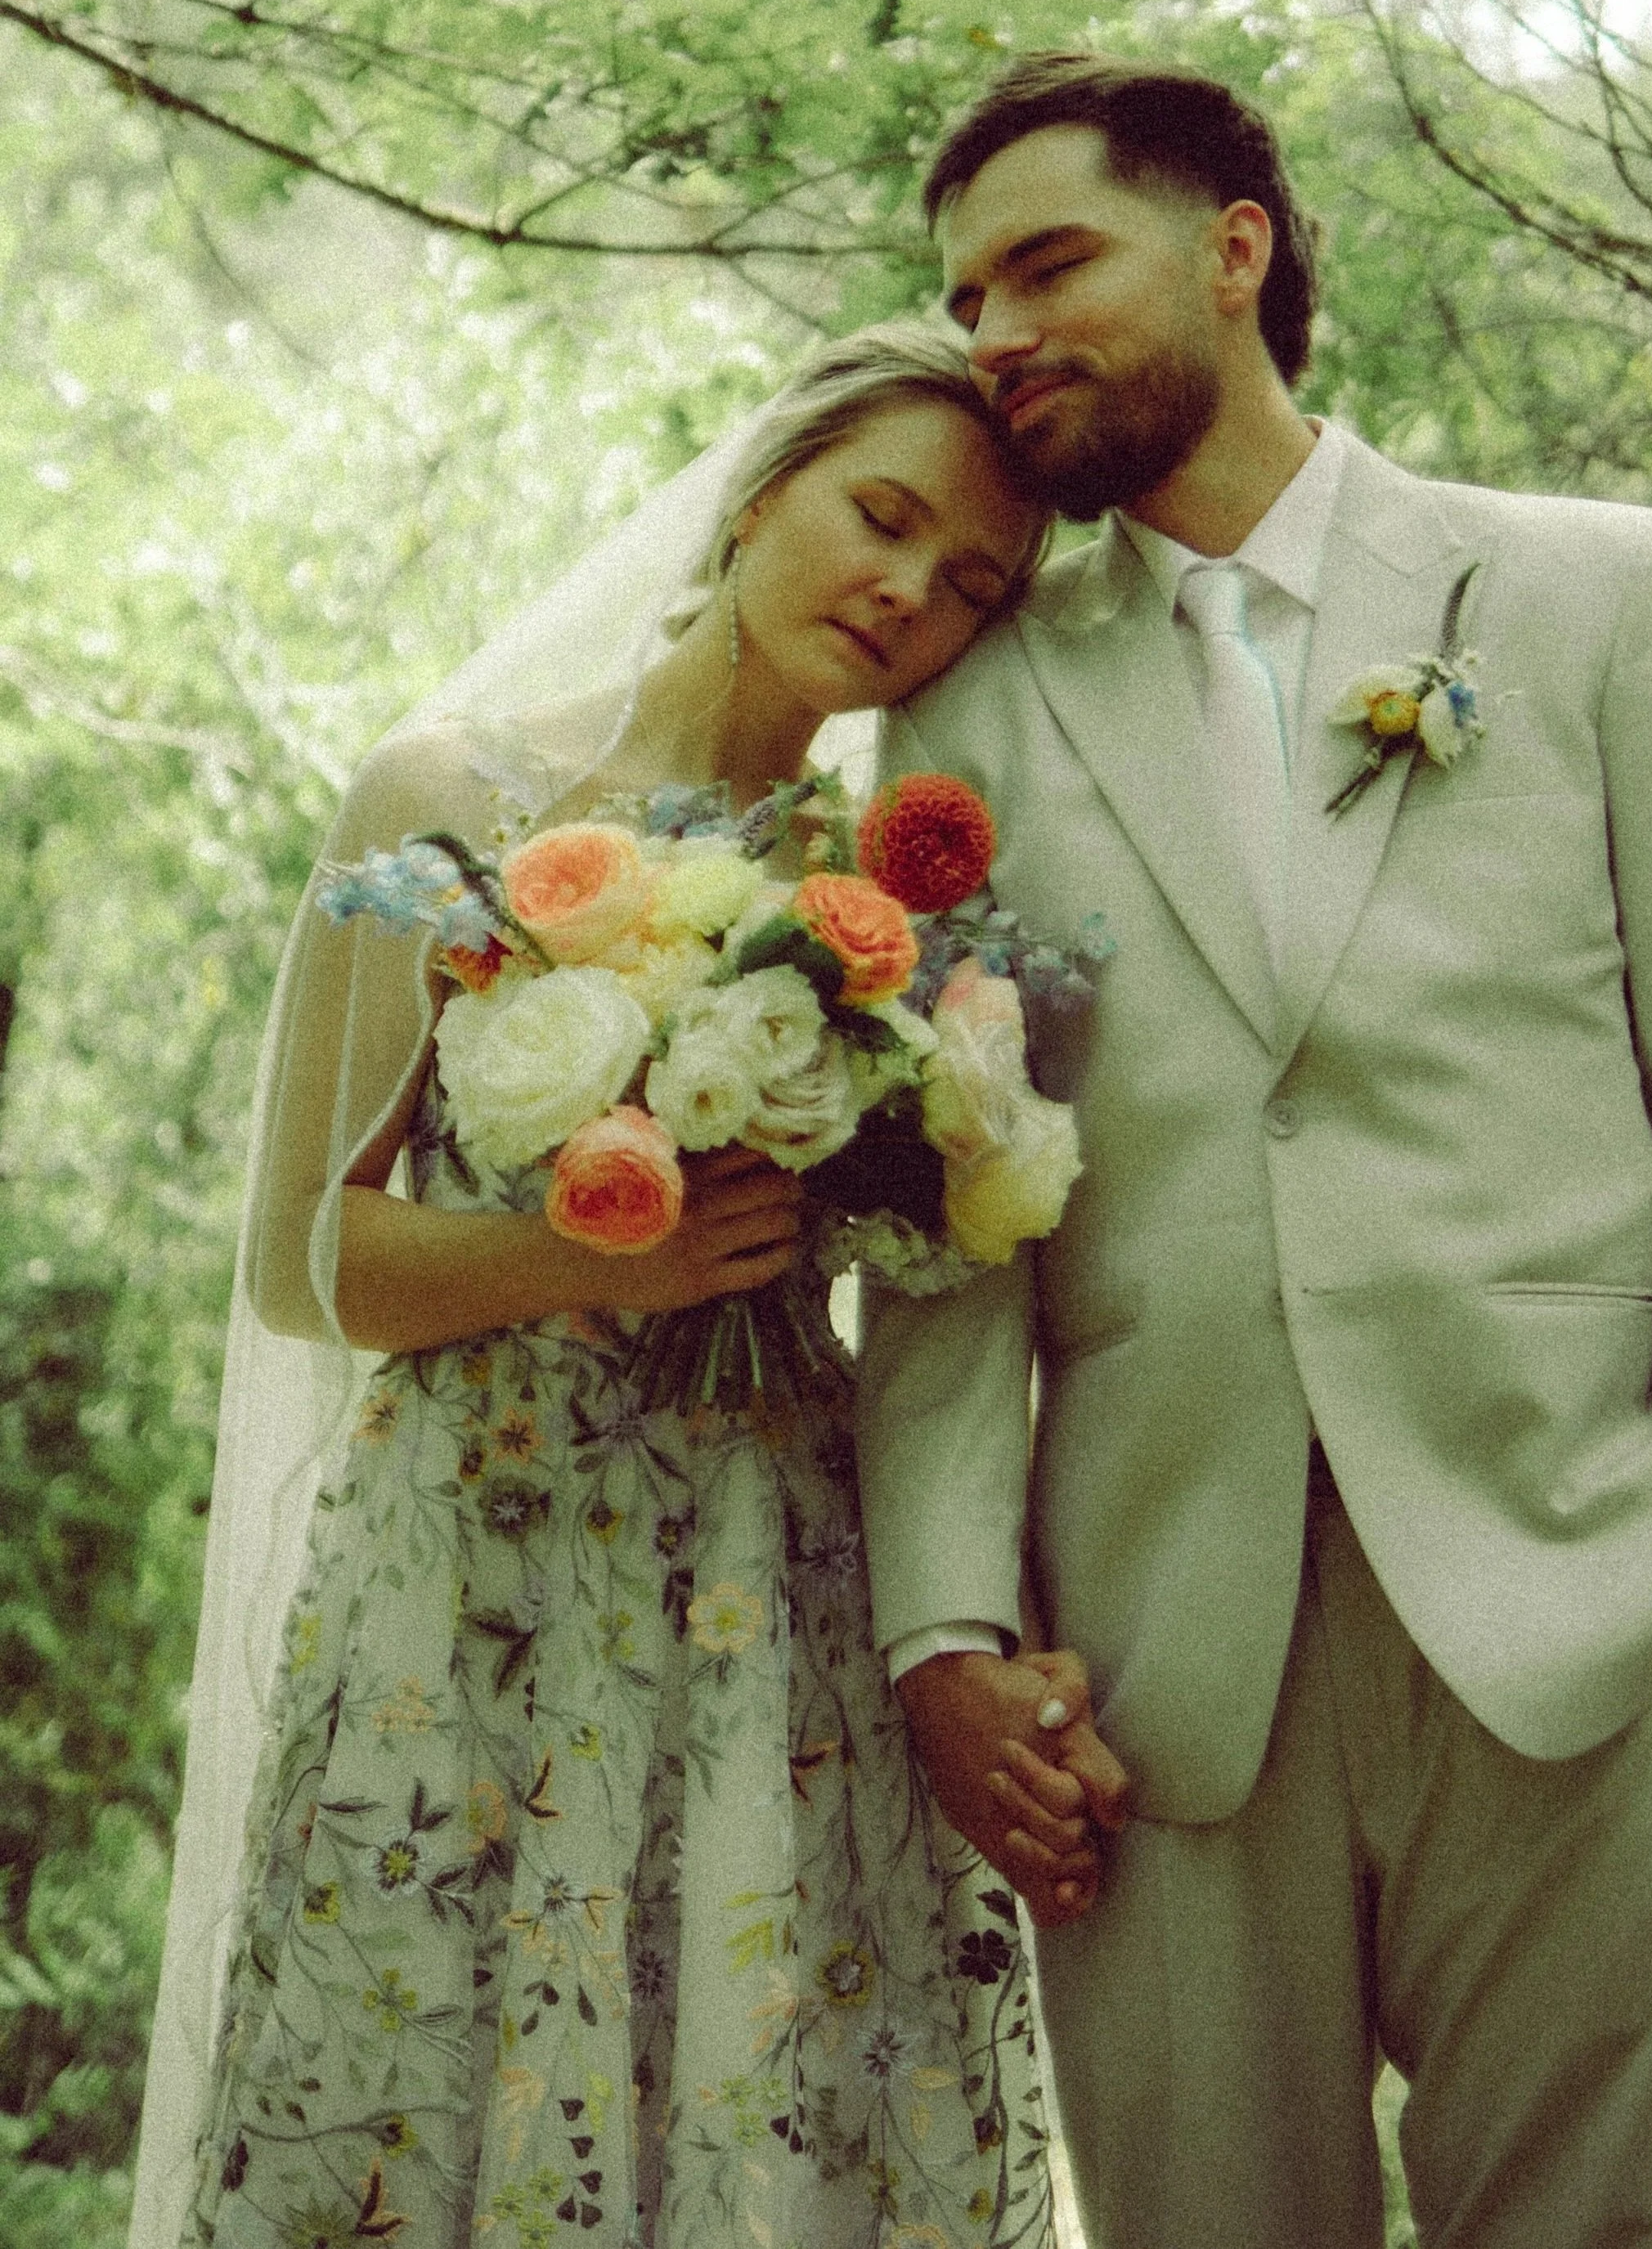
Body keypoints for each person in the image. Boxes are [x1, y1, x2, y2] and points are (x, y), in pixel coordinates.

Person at [854, 57, 1652, 2248]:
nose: (998, 332)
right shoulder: (966, 706)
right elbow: (938, 1210)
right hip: (1148, 1670)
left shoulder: (1591, 596)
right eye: (964, 299)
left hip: (1587, 1602)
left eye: (1048, 264)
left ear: (1232, 249)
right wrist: (940, 1630)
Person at [129, 323, 1074, 2249]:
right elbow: (306, 1263)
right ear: (752, 501)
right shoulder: (450, 793)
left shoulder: (885, 899)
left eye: (968, 582)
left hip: (765, 1576)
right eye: (879, 520)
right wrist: (581, 1251)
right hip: (475, 1572)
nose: (908, 593)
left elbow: (947, 1287)